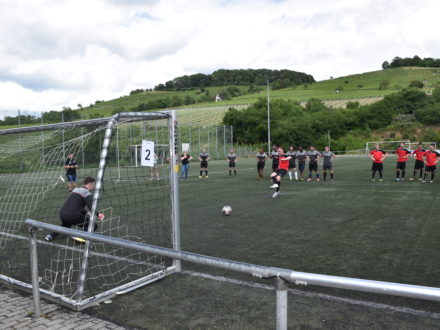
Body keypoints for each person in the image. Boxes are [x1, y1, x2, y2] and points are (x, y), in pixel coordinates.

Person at [45, 177, 104, 242]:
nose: (94, 186)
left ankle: (50, 236)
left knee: (66, 225)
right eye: (93, 184)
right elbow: (91, 207)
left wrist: (86, 213)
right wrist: (98, 214)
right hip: (73, 216)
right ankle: (81, 238)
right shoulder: (86, 192)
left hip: (63, 214)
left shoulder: (75, 189)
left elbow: (75, 205)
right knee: (93, 225)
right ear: (90, 184)